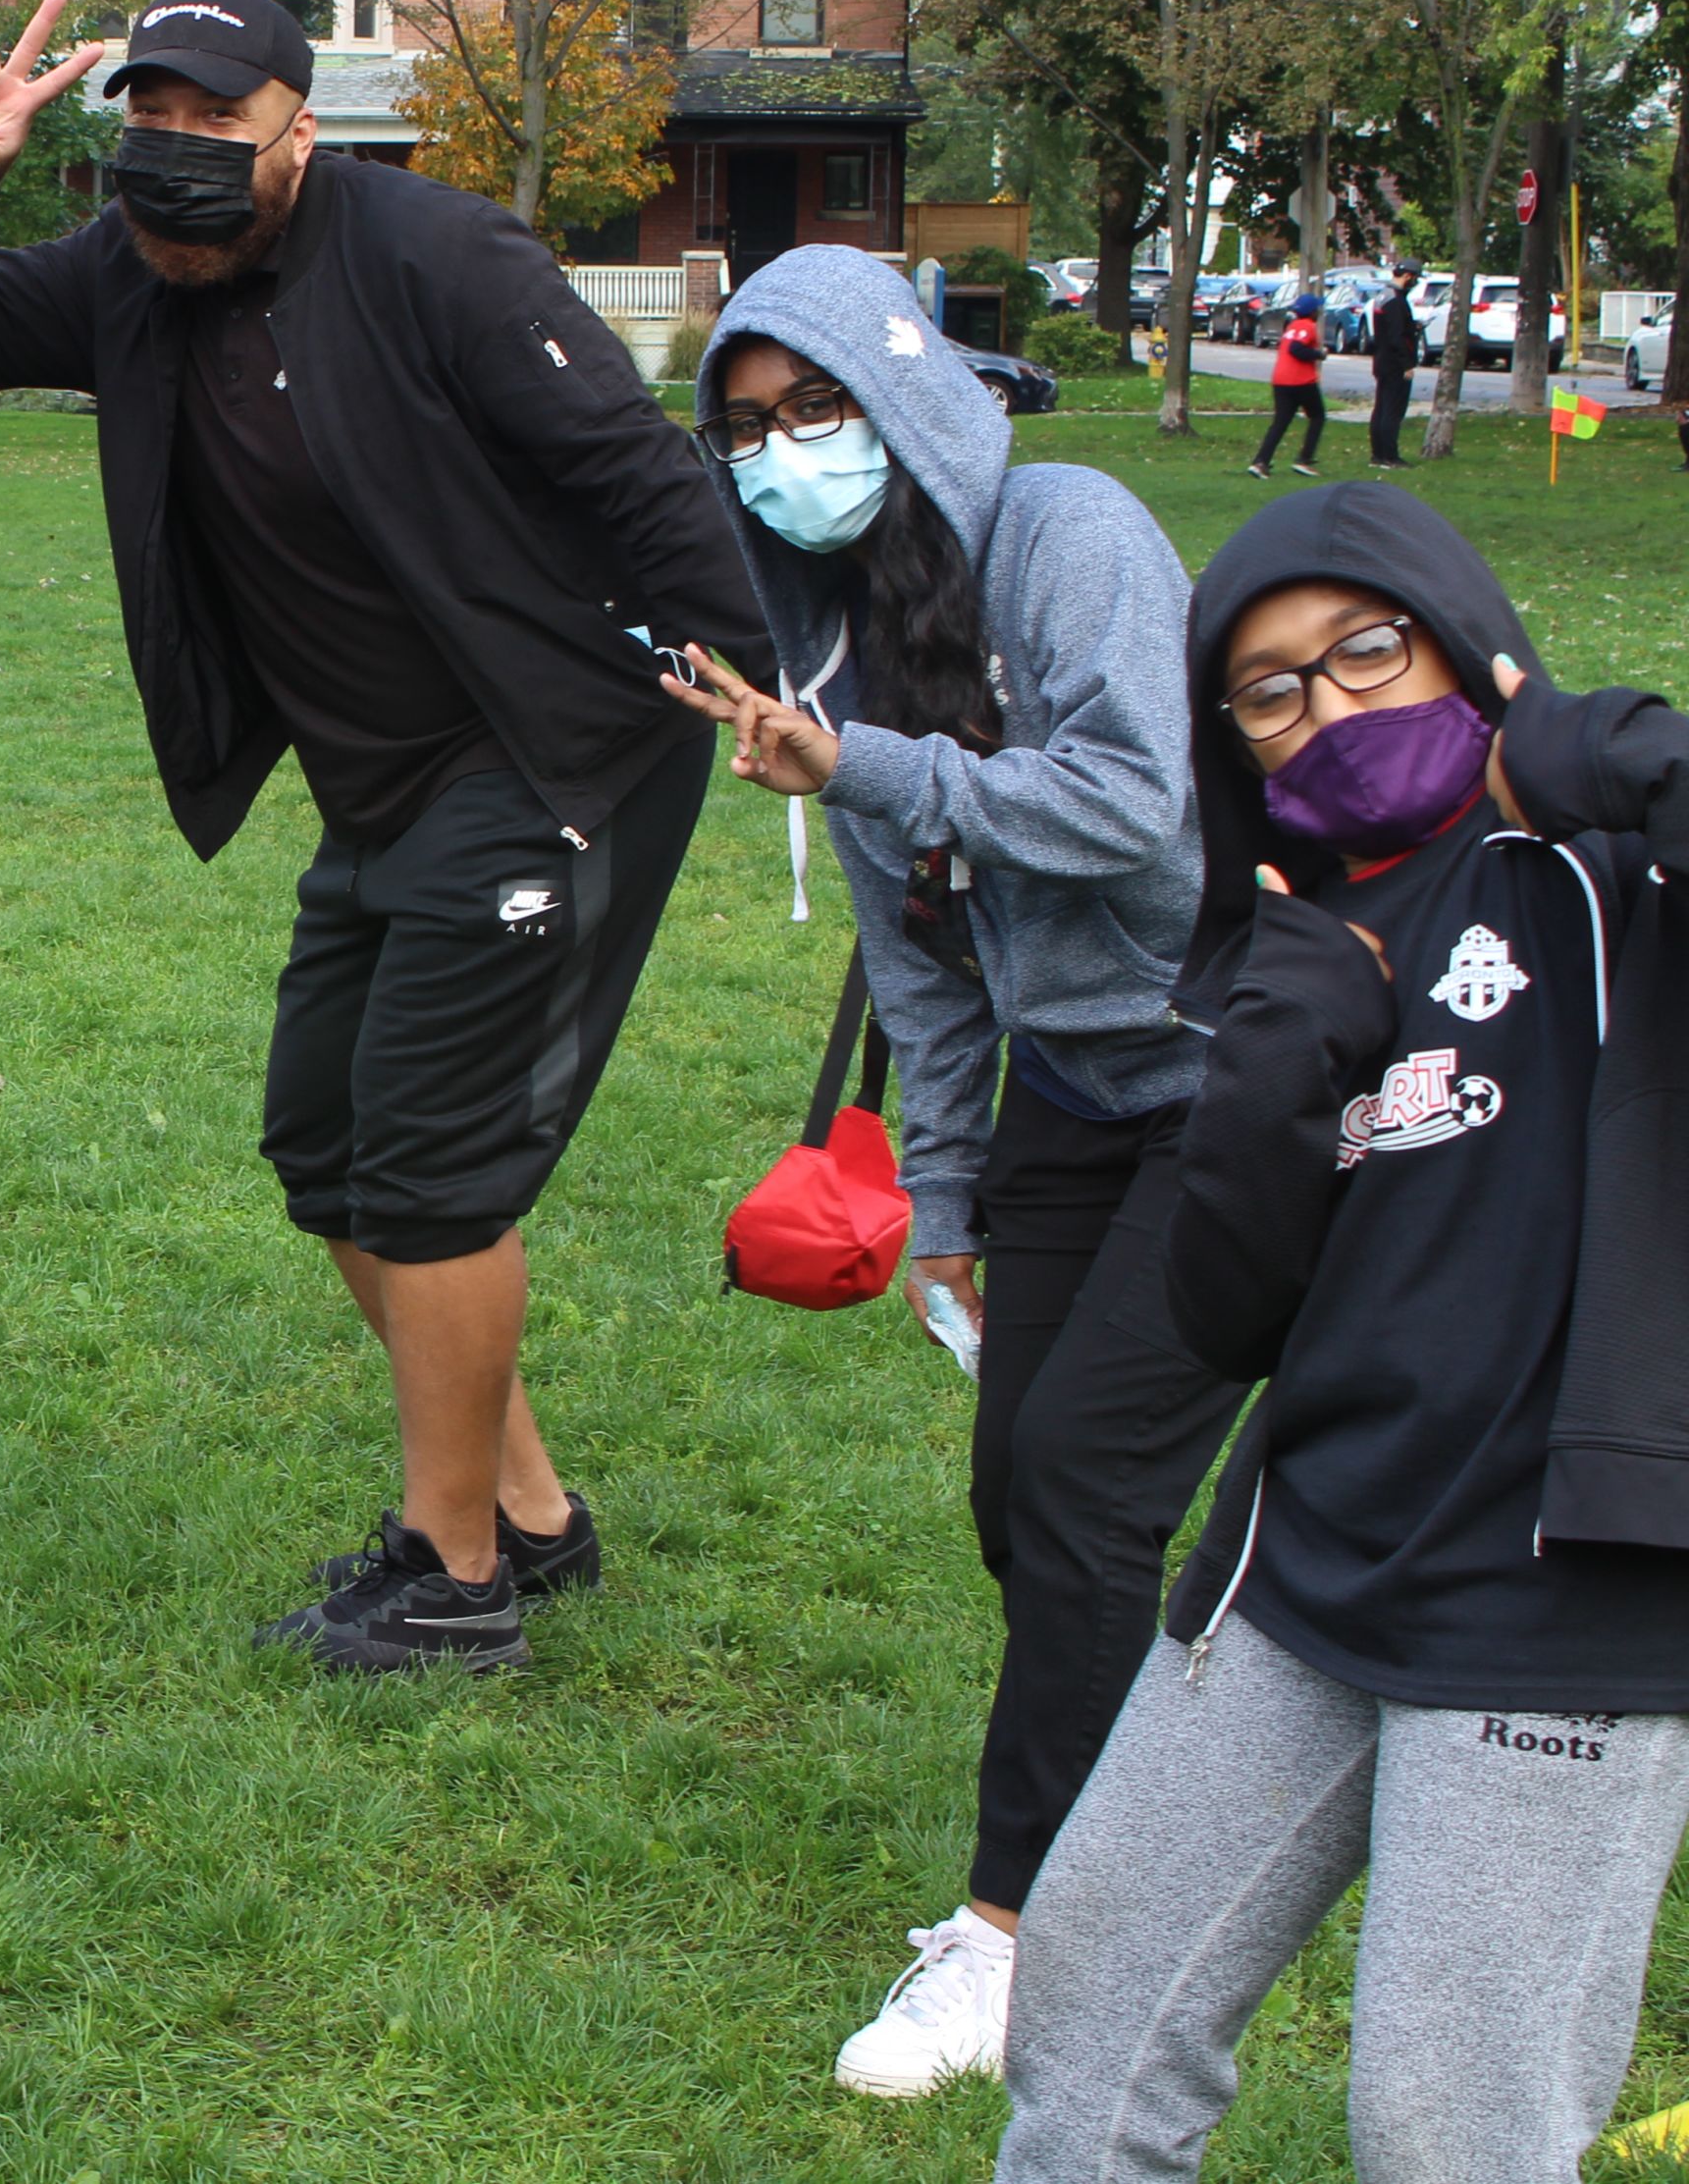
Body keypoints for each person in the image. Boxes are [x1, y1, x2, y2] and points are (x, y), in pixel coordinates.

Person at [0, 0, 772, 1673]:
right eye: (152, 123)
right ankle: (532, 1522)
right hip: (384, 786)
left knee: (426, 1164)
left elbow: (637, 470)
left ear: (299, 133)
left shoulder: (436, 256)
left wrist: (753, 689)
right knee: (324, 1150)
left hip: (549, 752)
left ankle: (453, 1573)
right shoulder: (126, 278)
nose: (180, 155)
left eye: (219, 123)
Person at [997, 483, 1689, 2181]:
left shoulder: (1614, 876)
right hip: (1304, 1568)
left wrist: (1621, 761)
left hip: (1559, 1606)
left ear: (1455, 635)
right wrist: (1267, 1071)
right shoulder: (1300, 939)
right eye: (1271, 689)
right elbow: (1232, 1317)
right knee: (1086, 2015)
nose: (1331, 707)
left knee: (1445, 2129)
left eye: (1365, 651)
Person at [661, 248, 1225, 2101]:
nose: (778, 456)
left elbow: (1136, 807)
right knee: (1020, 1500)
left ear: (898, 390)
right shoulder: (820, 629)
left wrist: (872, 765)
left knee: (1078, 1490)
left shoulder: (1067, 529)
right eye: (743, 430)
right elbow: (920, 958)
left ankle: (1012, 1944)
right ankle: (1184, 1794)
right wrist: (953, 1205)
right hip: (1065, 1097)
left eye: (811, 408)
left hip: (1238, 1072)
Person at [1246, 288, 1325, 478]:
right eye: (1318, 309)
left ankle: (1260, 462)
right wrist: (1319, 354)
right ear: (1312, 312)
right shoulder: (1307, 326)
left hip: (1280, 381)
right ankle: (1304, 459)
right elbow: (1296, 349)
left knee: (1280, 422)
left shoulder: (1292, 325)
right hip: (1301, 381)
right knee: (1317, 416)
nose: (1320, 312)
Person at [1367, 262, 1424, 467]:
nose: (1415, 282)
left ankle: (1377, 454)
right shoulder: (1396, 301)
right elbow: (1396, 336)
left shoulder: (1383, 296)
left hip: (1382, 359)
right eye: (1415, 278)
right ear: (1407, 275)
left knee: (1381, 408)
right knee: (1393, 410)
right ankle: (1389, 456)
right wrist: (1407, 363)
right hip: (1394, 363)